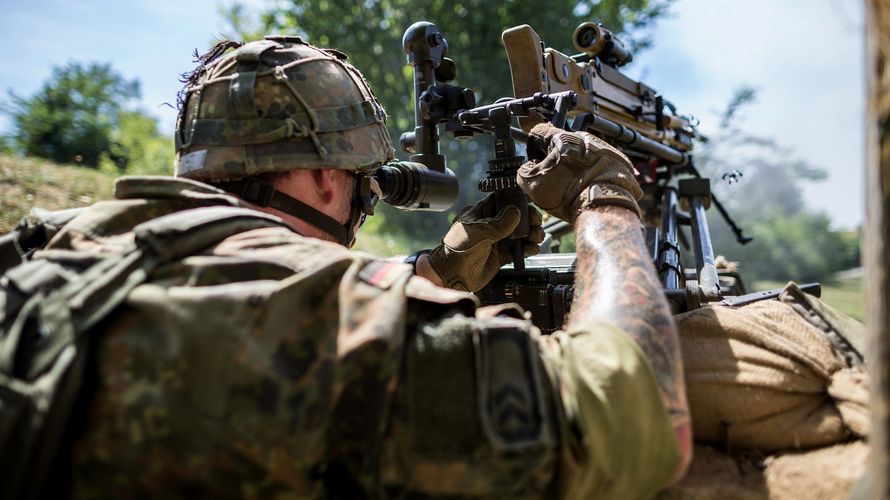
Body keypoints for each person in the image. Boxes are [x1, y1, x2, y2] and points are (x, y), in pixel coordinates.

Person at [3, 36, 690, 498]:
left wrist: (435, 273)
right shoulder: (318, 326)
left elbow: (245, 281)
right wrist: (605, 199)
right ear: (330, 180)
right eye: (366, 190)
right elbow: (638, 417)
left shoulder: (52, 247)